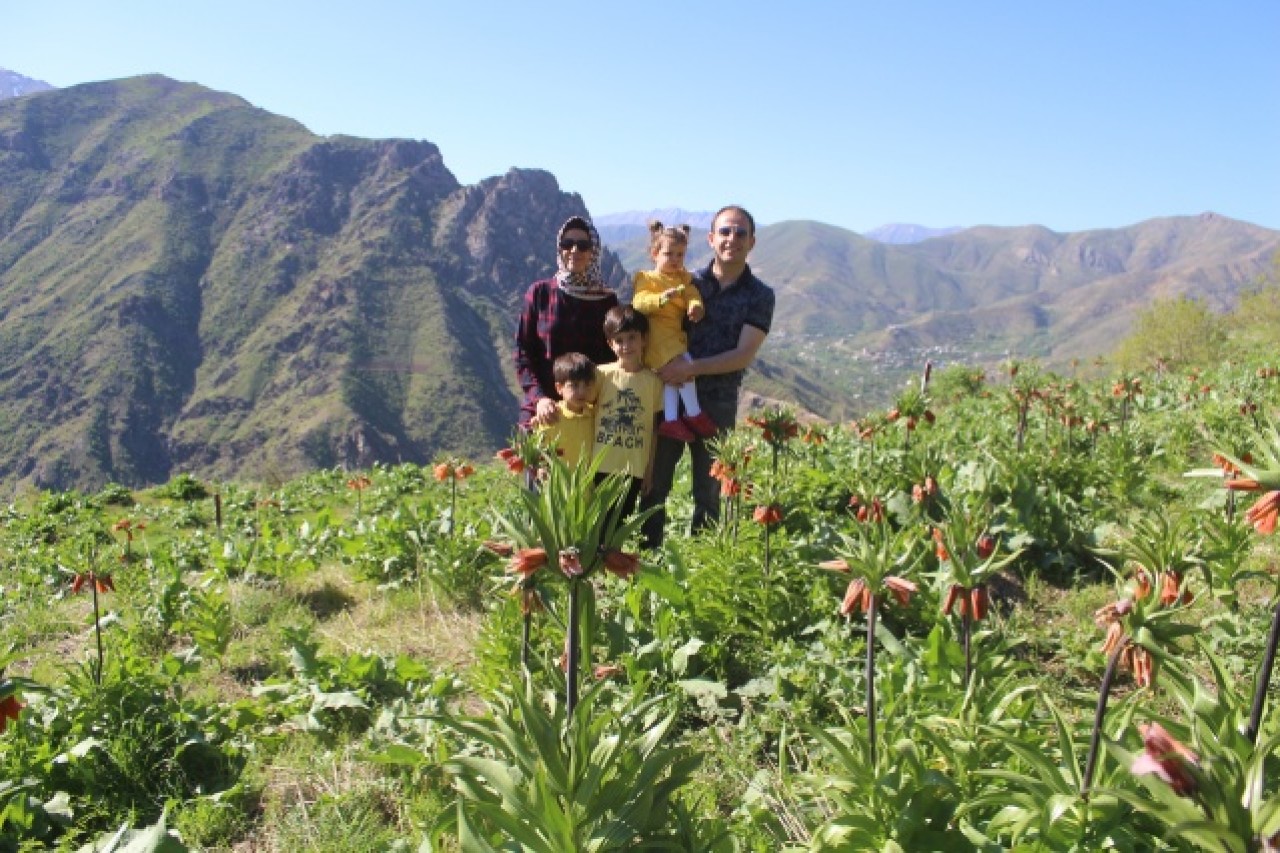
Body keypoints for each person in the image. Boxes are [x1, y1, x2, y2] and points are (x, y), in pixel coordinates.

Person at [639, 205, 775, 548]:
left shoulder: (760, 295)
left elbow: (743, 354)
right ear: (712, 238)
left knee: (709, 490)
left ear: (752, 241)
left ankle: (703, 566)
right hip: (668, 390)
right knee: (655, 484)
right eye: (725, 232)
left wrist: (690, 369)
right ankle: (647, 560)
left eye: (740, 233)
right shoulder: (688, 280)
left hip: (717, 401)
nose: (733, 239)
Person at [514, 216, 618, 431]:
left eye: (583, 245)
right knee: (535, 463)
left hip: (587, 412)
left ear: (594, 251)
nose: (574, 250)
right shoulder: (540, 293)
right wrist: (540, 399)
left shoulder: (606, 301)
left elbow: (614, 358)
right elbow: (523, 353)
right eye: (567, 244)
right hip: (544, 410)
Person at [631, 221, 718, 443]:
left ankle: (670, 420)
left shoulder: (683, 278)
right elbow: (639, 302)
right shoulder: (647, 279)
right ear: (655, 254)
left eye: (680, 255)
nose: (675, 260)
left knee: (672, 380)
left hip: (674, 338)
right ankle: (693, 412)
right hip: (658, 340)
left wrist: (695, 307)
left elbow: (692, 294)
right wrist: (660, 299)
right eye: (669, 254)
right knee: (685, 368)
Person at [594, 306, 664, 531]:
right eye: (619, 340)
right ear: (610, 344)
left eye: (632, 338)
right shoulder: (600, 375)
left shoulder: (653, 382)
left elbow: (653, 431)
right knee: (594, 525)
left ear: (644, 339)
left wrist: (649, 471)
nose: (626, 346)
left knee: (617, 526)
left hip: (632, 469)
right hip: (599, 466)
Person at [534, 352, 597, 467]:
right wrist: (542, 468)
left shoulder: (594, 414)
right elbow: (541, 449)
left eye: (587, 385)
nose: (582, 392)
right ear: (559, 388)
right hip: (560, 481)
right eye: (574, 385)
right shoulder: (552, 416)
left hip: (588, 483)